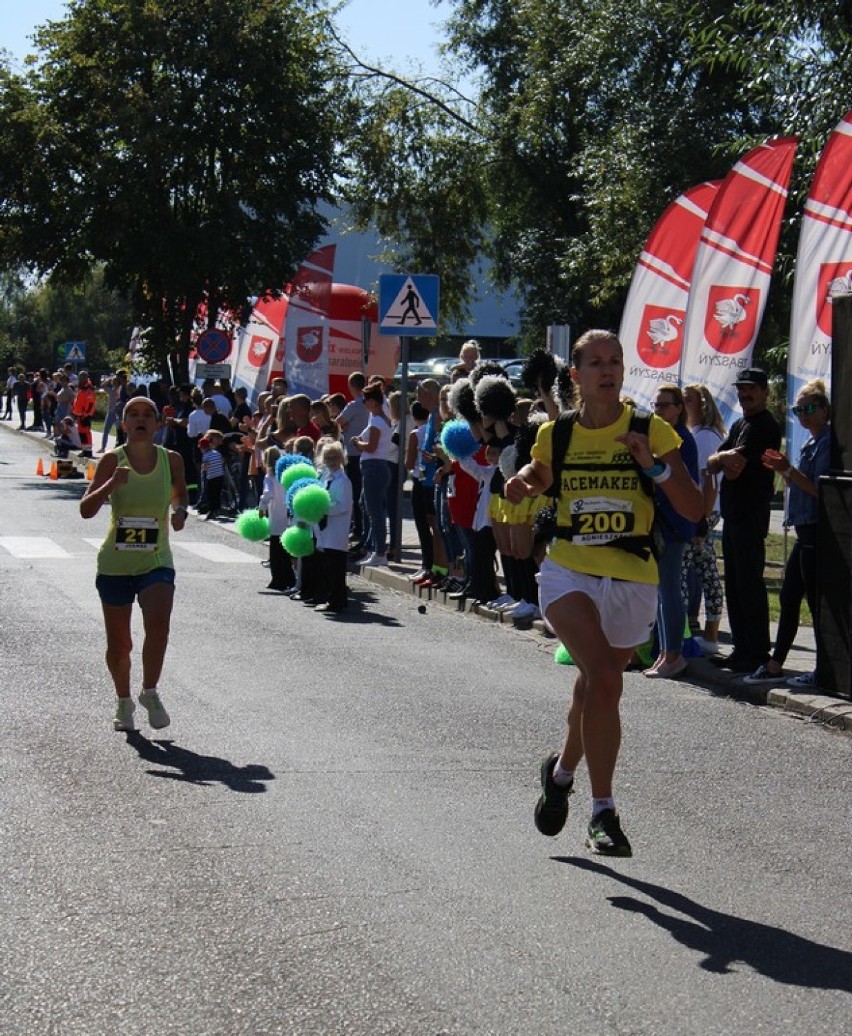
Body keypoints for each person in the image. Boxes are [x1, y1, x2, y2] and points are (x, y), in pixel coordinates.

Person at [504, 329, 702, 857]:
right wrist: (522, 481)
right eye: (596, 363)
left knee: (593, 687)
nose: (607, 371)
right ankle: (603, 812)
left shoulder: (649, 428)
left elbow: (694, 507)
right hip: (569, 571)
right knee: (607, 679)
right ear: (577, 376)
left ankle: (561, 774)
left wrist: (654, 467)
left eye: (615, 361)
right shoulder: (560, 434)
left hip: (634, 576)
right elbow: (540, 474)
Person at [80, 395, 189, 732]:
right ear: (124, 423)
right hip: (116, 563)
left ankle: (150, 691)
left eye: (147, 415)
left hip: (156, 559)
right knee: (120, 643)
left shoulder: (172, 459)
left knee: (159, 625)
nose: (140, 419)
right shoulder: (113, 460)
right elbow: (86, 510)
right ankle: (123, 700)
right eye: (133, 414)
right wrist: (112, 483)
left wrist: (180, 511)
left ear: (158, 424)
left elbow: (181, 494)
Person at [743, 379, 831, 687]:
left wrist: (787, 470)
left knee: (817, 604)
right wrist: (785, 470)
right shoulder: (811, 442)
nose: (803, 415)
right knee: (790, 595)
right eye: (797, 410)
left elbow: (821, 489)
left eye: (809, 409)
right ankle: (775, 664)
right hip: (804, 528)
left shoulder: (827, 442)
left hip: (817, 531)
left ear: (824, 409)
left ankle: (824, 670)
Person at [706, 367, 781, 674]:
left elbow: (734, 467)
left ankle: (757, 650)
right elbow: (714, 463)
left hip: (751, 513)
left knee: (749, 584)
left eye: (751, 389)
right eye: (742, 389)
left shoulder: (764, 426)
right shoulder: (739, 423)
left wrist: (723, 460)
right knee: (735, 585)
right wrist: (722, 459)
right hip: (734, 515)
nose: (745, 394)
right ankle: (741, 649)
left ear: (764, 392)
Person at [644, 386, 699, 679]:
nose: (660, 410)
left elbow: (675, 481)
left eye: (666, 405)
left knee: (669, 589)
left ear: (679, 408)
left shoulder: (679, 440)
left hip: (674, 522)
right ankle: (665, 652)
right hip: (661, 520)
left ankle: (673, 653)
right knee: (660, 590)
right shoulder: (662, 437)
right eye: (657, 405)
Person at [682, 383, 727, 654]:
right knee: (704, 570)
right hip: (698, 510)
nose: (682, 405)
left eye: (687, 400)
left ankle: (691, 636)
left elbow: (708, 481)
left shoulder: (706, 437)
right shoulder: (696, 434)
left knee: (687, 571)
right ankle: (706, 635)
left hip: (702, 511)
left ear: (702, 405)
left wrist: (701, 519)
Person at [352, 382, 394, 566]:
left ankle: (379, 552)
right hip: (375, 466)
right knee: (368, 506)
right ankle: (374, 548)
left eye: (365, 399)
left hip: (374, 466)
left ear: (373, 402)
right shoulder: (379, 418)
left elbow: (371, 446)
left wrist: (357, 444)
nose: (363, 403)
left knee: (375, 512)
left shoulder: (377, 421)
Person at [314, 441, 353, 613]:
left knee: (336, 568)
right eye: (327, 457)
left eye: (335, 457)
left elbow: (342, 505)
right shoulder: (327, 478)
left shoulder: (343, 481)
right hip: (326, 529)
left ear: (341, 458)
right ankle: (333, 599)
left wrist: (323, 507)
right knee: (328, 567)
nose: (331, 461)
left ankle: (337, 601)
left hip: (337, 530)